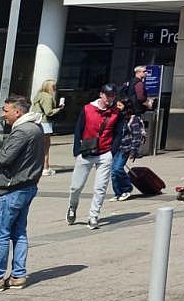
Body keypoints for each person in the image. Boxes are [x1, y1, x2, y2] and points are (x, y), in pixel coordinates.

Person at [0, 96, 43, 290]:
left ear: (17, 112)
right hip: (27, 186)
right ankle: (18, 275)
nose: (3, 114)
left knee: (1, 234)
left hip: (13, 188)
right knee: (19, 232)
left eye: (6, 110)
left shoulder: (22, 131)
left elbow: (4, 158)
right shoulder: (35, 127)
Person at [66, 84, 119, 229]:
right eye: (107, 95)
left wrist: (112, 152)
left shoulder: (116, 112)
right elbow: (79, 129)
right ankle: (72, 206)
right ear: (101, 94)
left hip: (105, 152)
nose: (110, 98)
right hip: (86, 151)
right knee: (76, 187)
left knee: (100, 188)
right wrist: (77, 150)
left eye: (113, 96)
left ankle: (93, 215)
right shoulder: (87, 109)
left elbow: (118, 133)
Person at [112, 94, 148, 202]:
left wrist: (133, 151)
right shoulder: (117, 117)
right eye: (117, 105)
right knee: (113, 171)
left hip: (125, 148)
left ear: (126, 106)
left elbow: (136, 136)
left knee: (118, 169)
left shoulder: (133, 119)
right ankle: (118, 193)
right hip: (115, 147)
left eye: (120, 105)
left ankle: (127, 188)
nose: (117, 107)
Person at [31, 79, 62, 175]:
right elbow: (48, 112)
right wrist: (59, 109)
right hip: (44, 122)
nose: (55, 88)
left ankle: (36, 166)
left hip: (36, 121)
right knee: (46, 146)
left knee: (38, 145)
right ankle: (45, 167)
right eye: (54, 86)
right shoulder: (48, 97)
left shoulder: (38, 95)